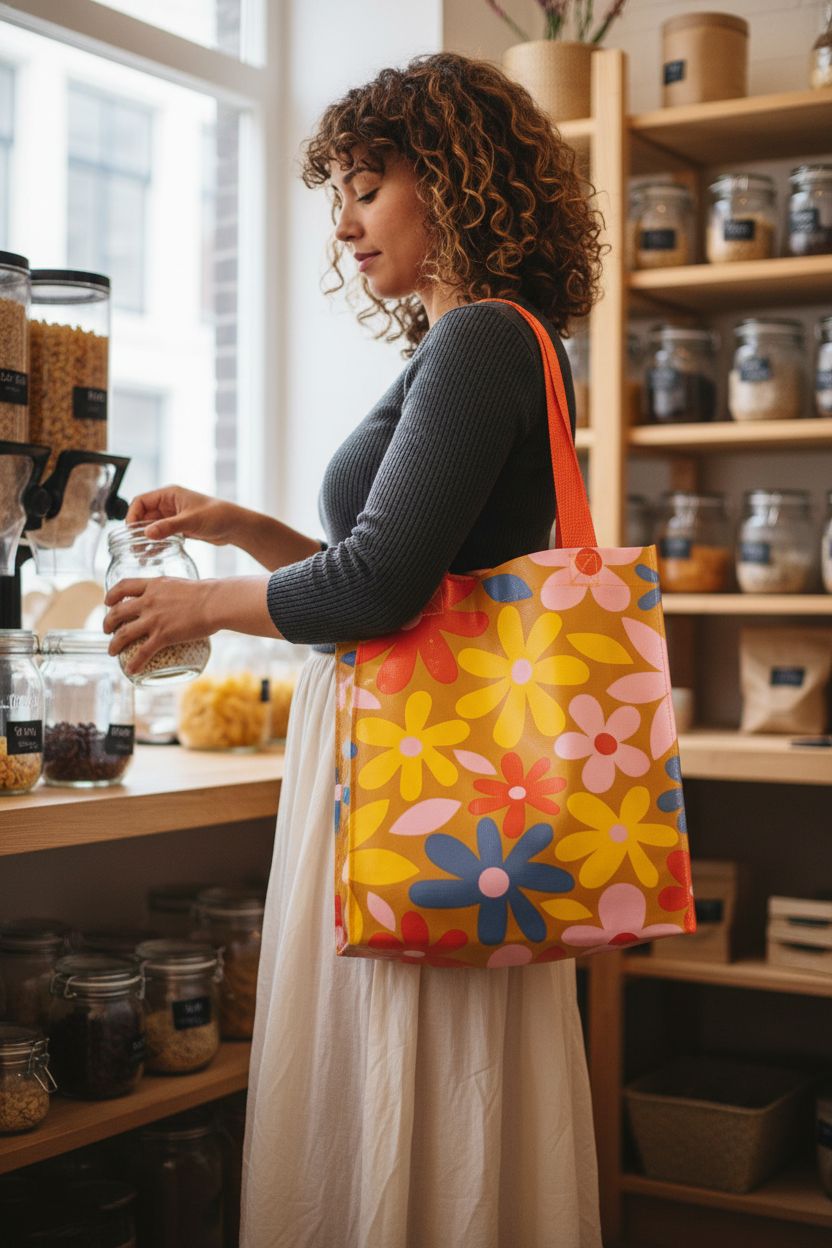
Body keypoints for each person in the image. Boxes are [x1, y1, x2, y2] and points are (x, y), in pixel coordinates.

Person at [104, 51, 605, 1248]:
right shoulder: (457, 346)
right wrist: (239, 528)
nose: (344, 223)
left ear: (452, 181)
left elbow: (376, 587)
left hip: (416, 784)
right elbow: (401, 572)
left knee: (401, 1071)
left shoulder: (484, 338)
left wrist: (204, 606)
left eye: (367, 187)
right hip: (421, 772)